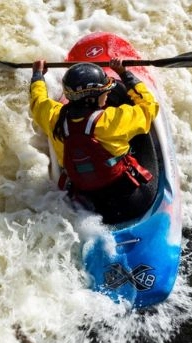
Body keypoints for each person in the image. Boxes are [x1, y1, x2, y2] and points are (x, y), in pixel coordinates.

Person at [29, 57, 159, 224]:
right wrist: (125, 75)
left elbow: (37, 102)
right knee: (141, 130)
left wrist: (37, 76)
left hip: (89, 206)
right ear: (93, 97)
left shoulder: (53, 117)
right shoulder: (112, 120)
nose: (107, 94)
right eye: (105, 91)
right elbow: (149, 107)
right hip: (132, 203)